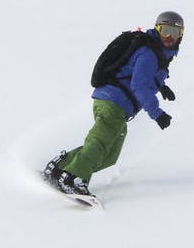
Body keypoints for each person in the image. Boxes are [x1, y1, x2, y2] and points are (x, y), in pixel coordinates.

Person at [42, 11, 184, 197]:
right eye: (165, 30)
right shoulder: (149, 54)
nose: (168, 37)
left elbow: (140, 75)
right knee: (100, 143)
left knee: (110, 155)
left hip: (115, 104)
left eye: (174, 32)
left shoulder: (158, 56)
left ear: (180, 36)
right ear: (157, 29)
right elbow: (139, 86)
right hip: (114, 102)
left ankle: (60, 167)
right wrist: (157, 113)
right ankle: (72, 177)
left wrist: (161, 86)